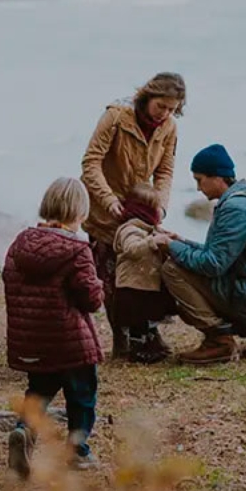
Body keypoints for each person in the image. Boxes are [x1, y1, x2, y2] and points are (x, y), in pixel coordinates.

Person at [2, 177, 104, 478]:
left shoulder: (19, 244)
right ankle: (77, 450)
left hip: (33, 339)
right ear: (81, 215)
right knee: (82, 395)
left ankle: (24, 429)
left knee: (40, 389)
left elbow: (10, 283)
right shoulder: (76, 250)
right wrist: (100, 284)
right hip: (70, 341)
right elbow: (92, 299)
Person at [81, 72, 186, 358]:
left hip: (142, 212)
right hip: (104, 212)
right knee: (110, 278)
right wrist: (108, 200)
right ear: (147, 97)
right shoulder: (115, 117)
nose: (164, 114)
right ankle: (120, 337)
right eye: (160, 106)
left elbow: (165, 170)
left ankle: (143, 333)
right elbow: (91, 162)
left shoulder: (170, 128)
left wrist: (161, 205)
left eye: (171, 109)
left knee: (142, 272)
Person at [153, 144, 246, 365]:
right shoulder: (241, 199)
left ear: (217, 177)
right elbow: (219, 252)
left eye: (199, 180)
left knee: (171, 269)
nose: (198, 188)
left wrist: (171, 248)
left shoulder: (235, 208)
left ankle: (220, 341)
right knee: (178, 259)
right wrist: (180, 241)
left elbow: (214, 264)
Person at [113, 183, 176, 364]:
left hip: (147, 285)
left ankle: (152, 344)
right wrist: (152, 241)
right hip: (132, 287)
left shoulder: (148, 230)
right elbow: (132, 249)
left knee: (149, 320)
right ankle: (138, 350)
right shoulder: (129, 230)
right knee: (137, 323)